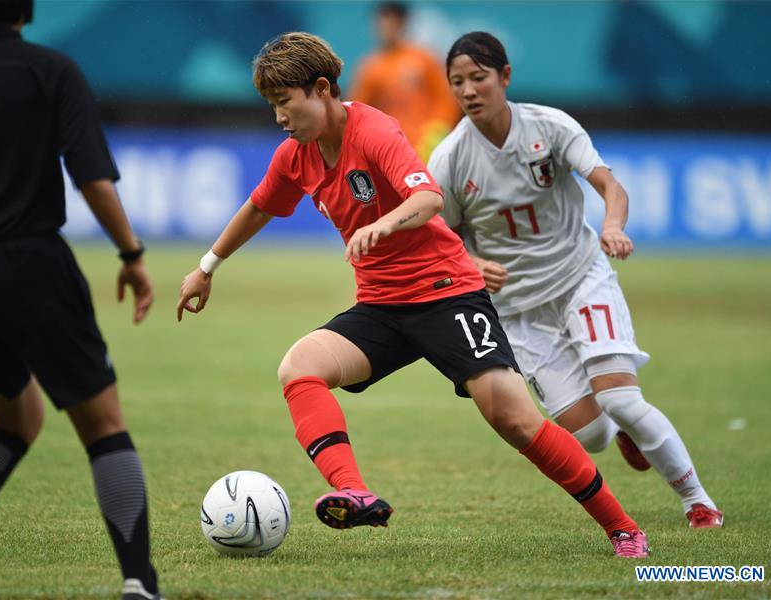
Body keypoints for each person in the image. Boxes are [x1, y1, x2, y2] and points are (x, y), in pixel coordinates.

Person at [177, 31, 650, 557]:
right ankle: (352, 490)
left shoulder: (374, 128)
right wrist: (207, 267)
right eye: (272, 108)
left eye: (285, 104)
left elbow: (426, 196)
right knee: (300, 367)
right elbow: (259, 206)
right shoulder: (296, 156)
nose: (280, 118)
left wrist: (383, 225)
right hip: (382, 306)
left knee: (514, 420)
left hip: (447, 293)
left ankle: (622, 527)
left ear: (321, 88)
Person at [0, 1, 163, 598]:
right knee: (103, 426)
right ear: (26, 7)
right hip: (32, 263)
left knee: (16, 418)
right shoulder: (51, 70)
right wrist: (130, 253)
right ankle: (140, 584)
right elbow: (91, 175)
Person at [428, 31, 723, 529]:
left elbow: (609, 185)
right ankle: (626, 431)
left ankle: (698, 501)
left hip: (579, 277)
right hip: (518, 312)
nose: (469, 91)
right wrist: (471, 264)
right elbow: (439, 237)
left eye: (478, 78)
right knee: (592, 436)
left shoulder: (550, 126)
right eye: (458, 82)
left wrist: (611, 225)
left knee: (621, 398)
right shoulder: (451, 159)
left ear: (504, 76)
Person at [349, 2, 460, 161]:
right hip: (390, 150)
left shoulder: (424, 58)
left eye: (391, 21)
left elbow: (446, 98)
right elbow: (358, 112)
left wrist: (436, 130)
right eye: (381, 21)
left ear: (402, 24)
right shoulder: (369, 68)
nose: (385, 26)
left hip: (427, 148)